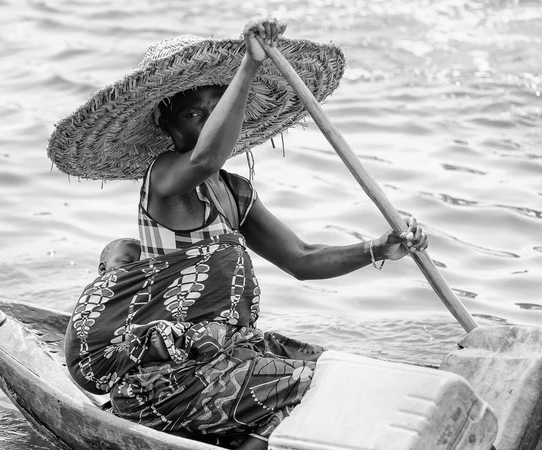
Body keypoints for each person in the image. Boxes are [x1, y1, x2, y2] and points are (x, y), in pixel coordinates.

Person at [56, 18, 428, 450]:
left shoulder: (233, 191)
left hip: (223, 358)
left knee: (339, 368)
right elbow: (205, 159)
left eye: (218, 108)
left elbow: (303, 259)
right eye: (195, 113)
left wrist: (377, 248)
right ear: (165, 122)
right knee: (319, 389)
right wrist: (247, 69)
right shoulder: (165, 179)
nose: (209, 121)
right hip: (167, 380)